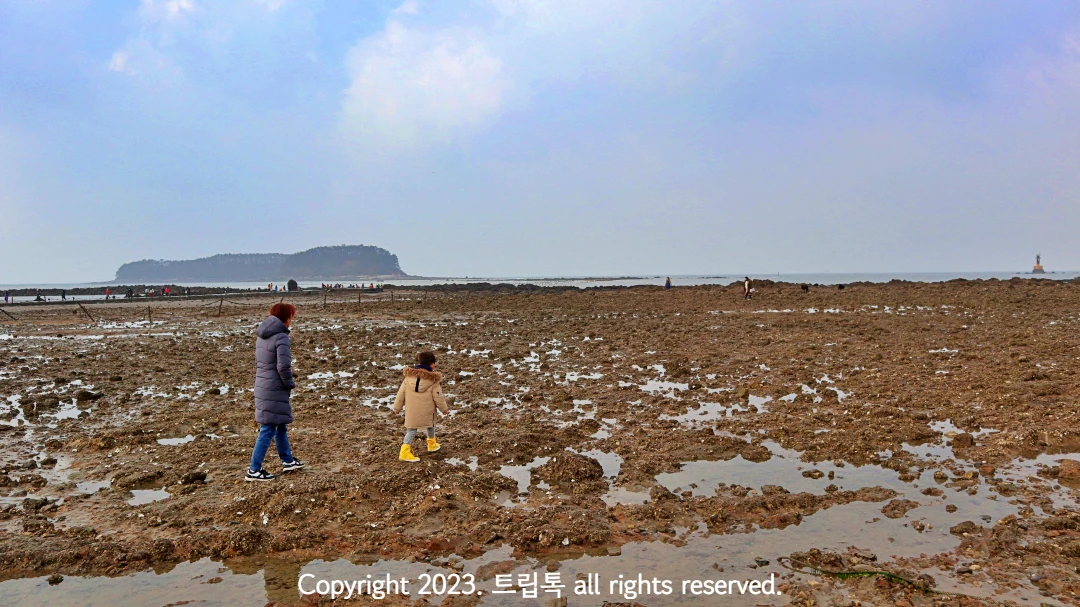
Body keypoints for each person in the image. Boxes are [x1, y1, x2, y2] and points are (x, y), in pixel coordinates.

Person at [246, 302, 305, 481]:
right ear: (286, 318)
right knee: (268, 427)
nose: (291, 321)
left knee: (279, 424)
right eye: (291, 317)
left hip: (263, 384)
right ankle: (254, 470)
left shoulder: (262, 336)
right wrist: (289, 384)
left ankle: (288, 461)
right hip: (275, 387)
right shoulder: (281, 337)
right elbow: (283, 366)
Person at [392, 351, 449, 462]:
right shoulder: (433, 380)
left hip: (412, 412)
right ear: (431, 364)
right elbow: (438, 397)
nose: (435, 366)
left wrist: (397, 408)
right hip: (428, 411)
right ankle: (409, 451)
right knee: (431, 425)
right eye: (434, 363)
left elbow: (401, 393)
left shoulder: (408, 377)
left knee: (412, 430)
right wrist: (444, 410)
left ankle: (410, 449)